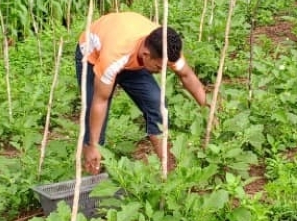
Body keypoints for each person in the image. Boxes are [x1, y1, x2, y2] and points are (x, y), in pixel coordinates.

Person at [76, 11, 209, 174]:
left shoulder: (166, 47)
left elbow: (187, 76)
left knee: (157, 103)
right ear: (146, 55)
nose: (162, 72)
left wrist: (209, 110)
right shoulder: (113, 57)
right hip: (92, 56)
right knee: (94, 124)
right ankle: (92, 172)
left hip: (130, 53)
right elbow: (100, 101)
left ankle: (168, 168)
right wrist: (93, 144)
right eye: (159, 68)